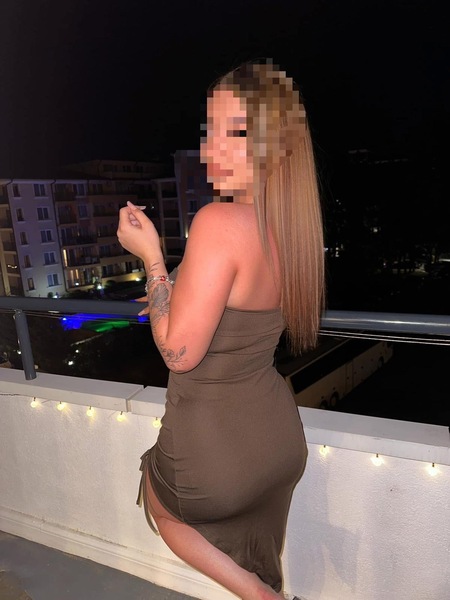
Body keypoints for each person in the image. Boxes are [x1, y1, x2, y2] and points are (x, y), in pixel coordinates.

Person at [117, 59, 325, 600]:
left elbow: (179, 352)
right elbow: (235, 307)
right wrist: (171, 288)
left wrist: (152, 260)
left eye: (233, 133)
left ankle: (261, 596)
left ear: (274, 145)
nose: (210, 150)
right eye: (209, 131)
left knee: (158, 496)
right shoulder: (294, 233)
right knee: (257, 551)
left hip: (214, 449)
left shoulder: (218, 222)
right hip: (279, 441)